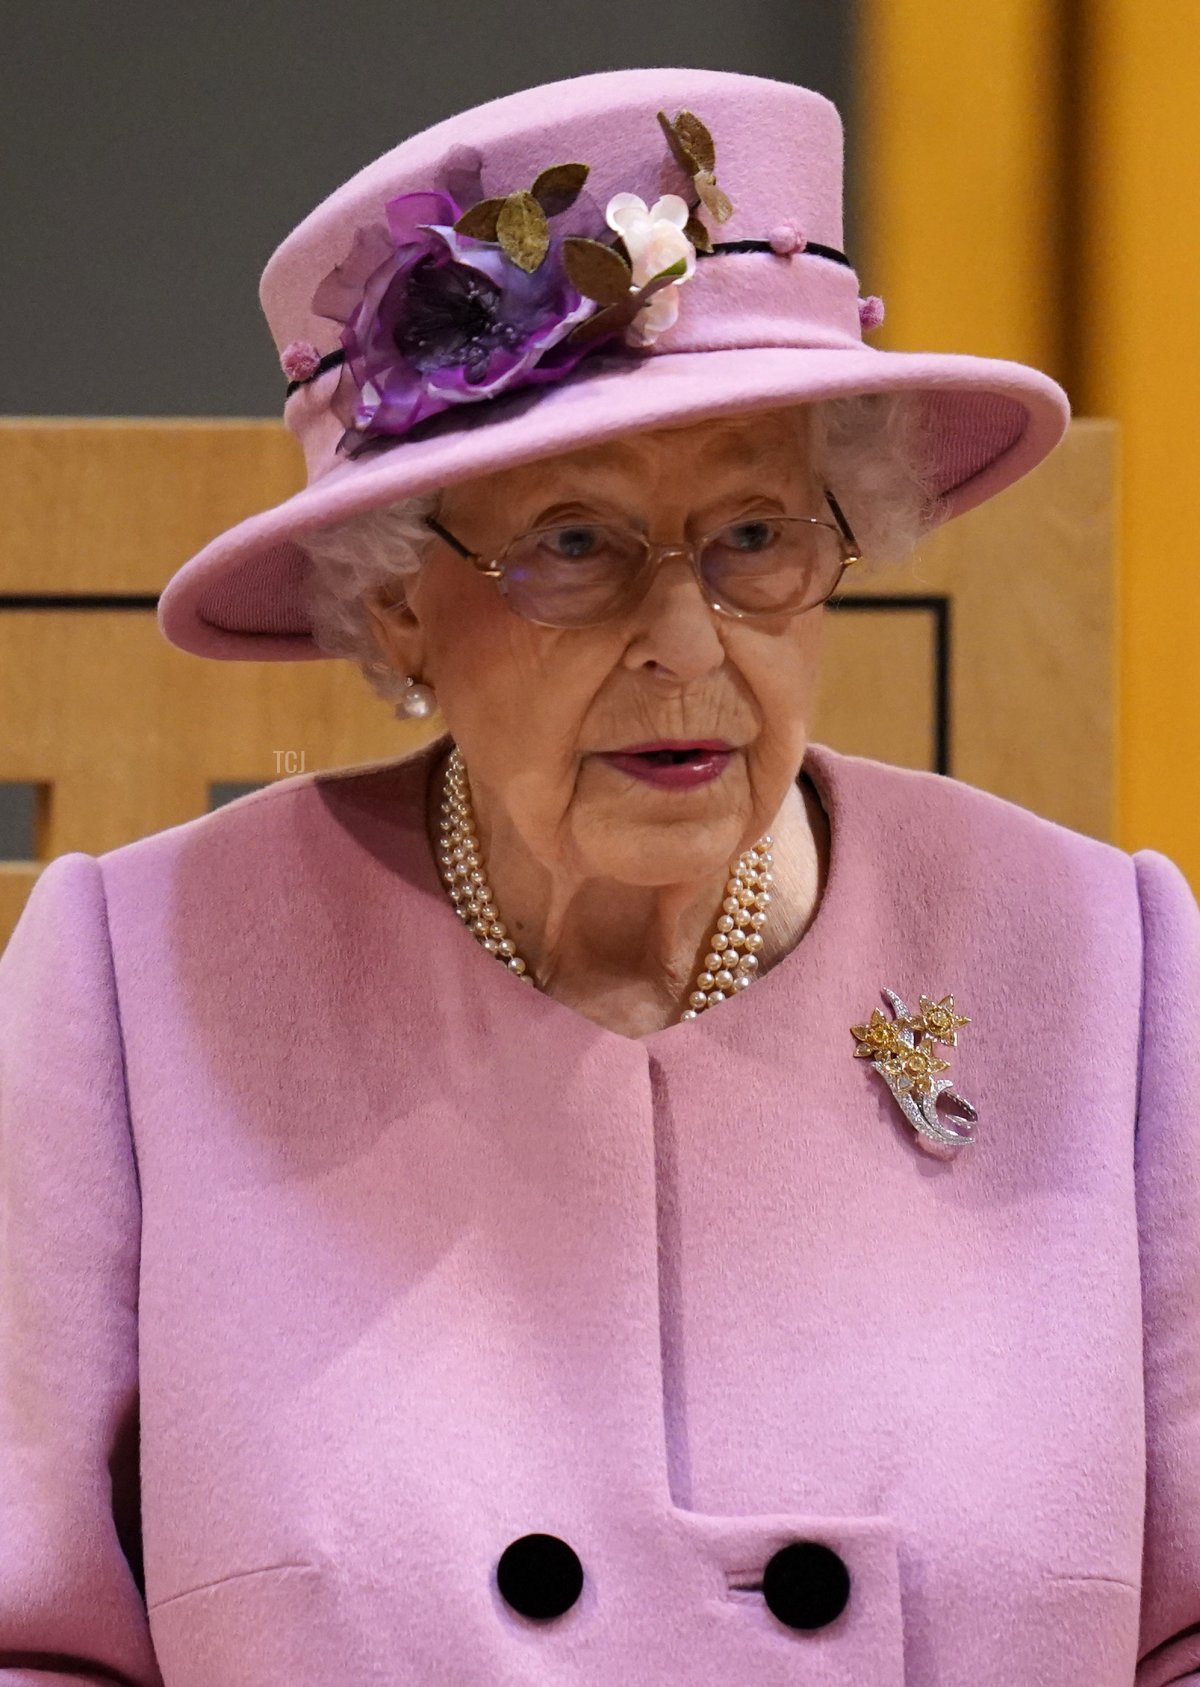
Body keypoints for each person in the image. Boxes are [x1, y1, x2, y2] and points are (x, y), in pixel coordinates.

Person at [1, 64, 1196, 1687]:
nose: (689, 644)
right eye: (573, 544)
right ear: (399, 604)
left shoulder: (1107, 960)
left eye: (760, 537)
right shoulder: (141, 981)